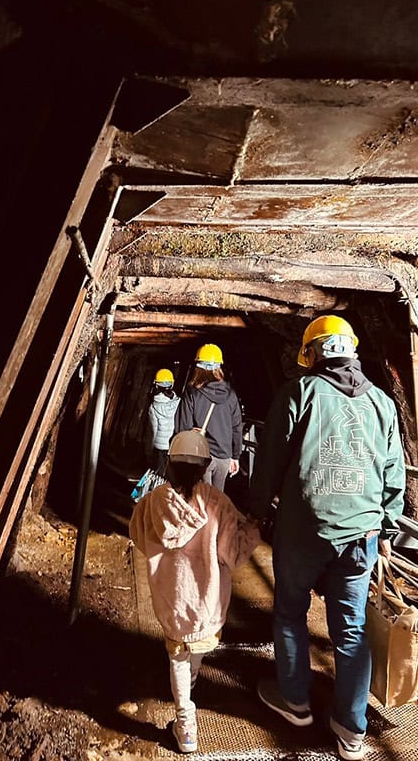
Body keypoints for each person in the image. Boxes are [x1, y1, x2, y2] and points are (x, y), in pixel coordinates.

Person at [247, 315, 404, 761]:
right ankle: (351, 730)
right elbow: (393, 472)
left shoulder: (300, 392)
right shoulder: (382, 403)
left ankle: (295, 702)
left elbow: (272, 457)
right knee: (351, 631)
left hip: (304, 532)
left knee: (290, 614)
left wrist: (256, 509)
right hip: (361, 535)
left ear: (314, 352)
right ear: (351, 350)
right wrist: (388, 526)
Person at [130, 430, 261, 754]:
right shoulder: (219, 505)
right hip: (206, 603)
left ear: (170, 463)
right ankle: (190, 684)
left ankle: (185, 725)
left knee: (177, 655)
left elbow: (138, 535)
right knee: (196, 647)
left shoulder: (153, 502)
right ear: (205, 466)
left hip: (171, 600)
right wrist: (252, 531)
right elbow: (233, 555)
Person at [174, 343, 243, 492]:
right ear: (219, 367)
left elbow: (182, 427)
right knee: (216, 499)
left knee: (199, 497)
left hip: (201, 455)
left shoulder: (192, 393)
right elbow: (237, 427)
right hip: (224, 457)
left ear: (198, 366)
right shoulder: (231, 394)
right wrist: (235, 456)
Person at [147, 368, 181, 470]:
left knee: (158, 475)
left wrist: (149, 450)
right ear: (172, 384)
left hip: (160, 448)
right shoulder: (179, 403)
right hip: (175, 446)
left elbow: (153, 431)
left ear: (156, 385)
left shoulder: (153, 407)